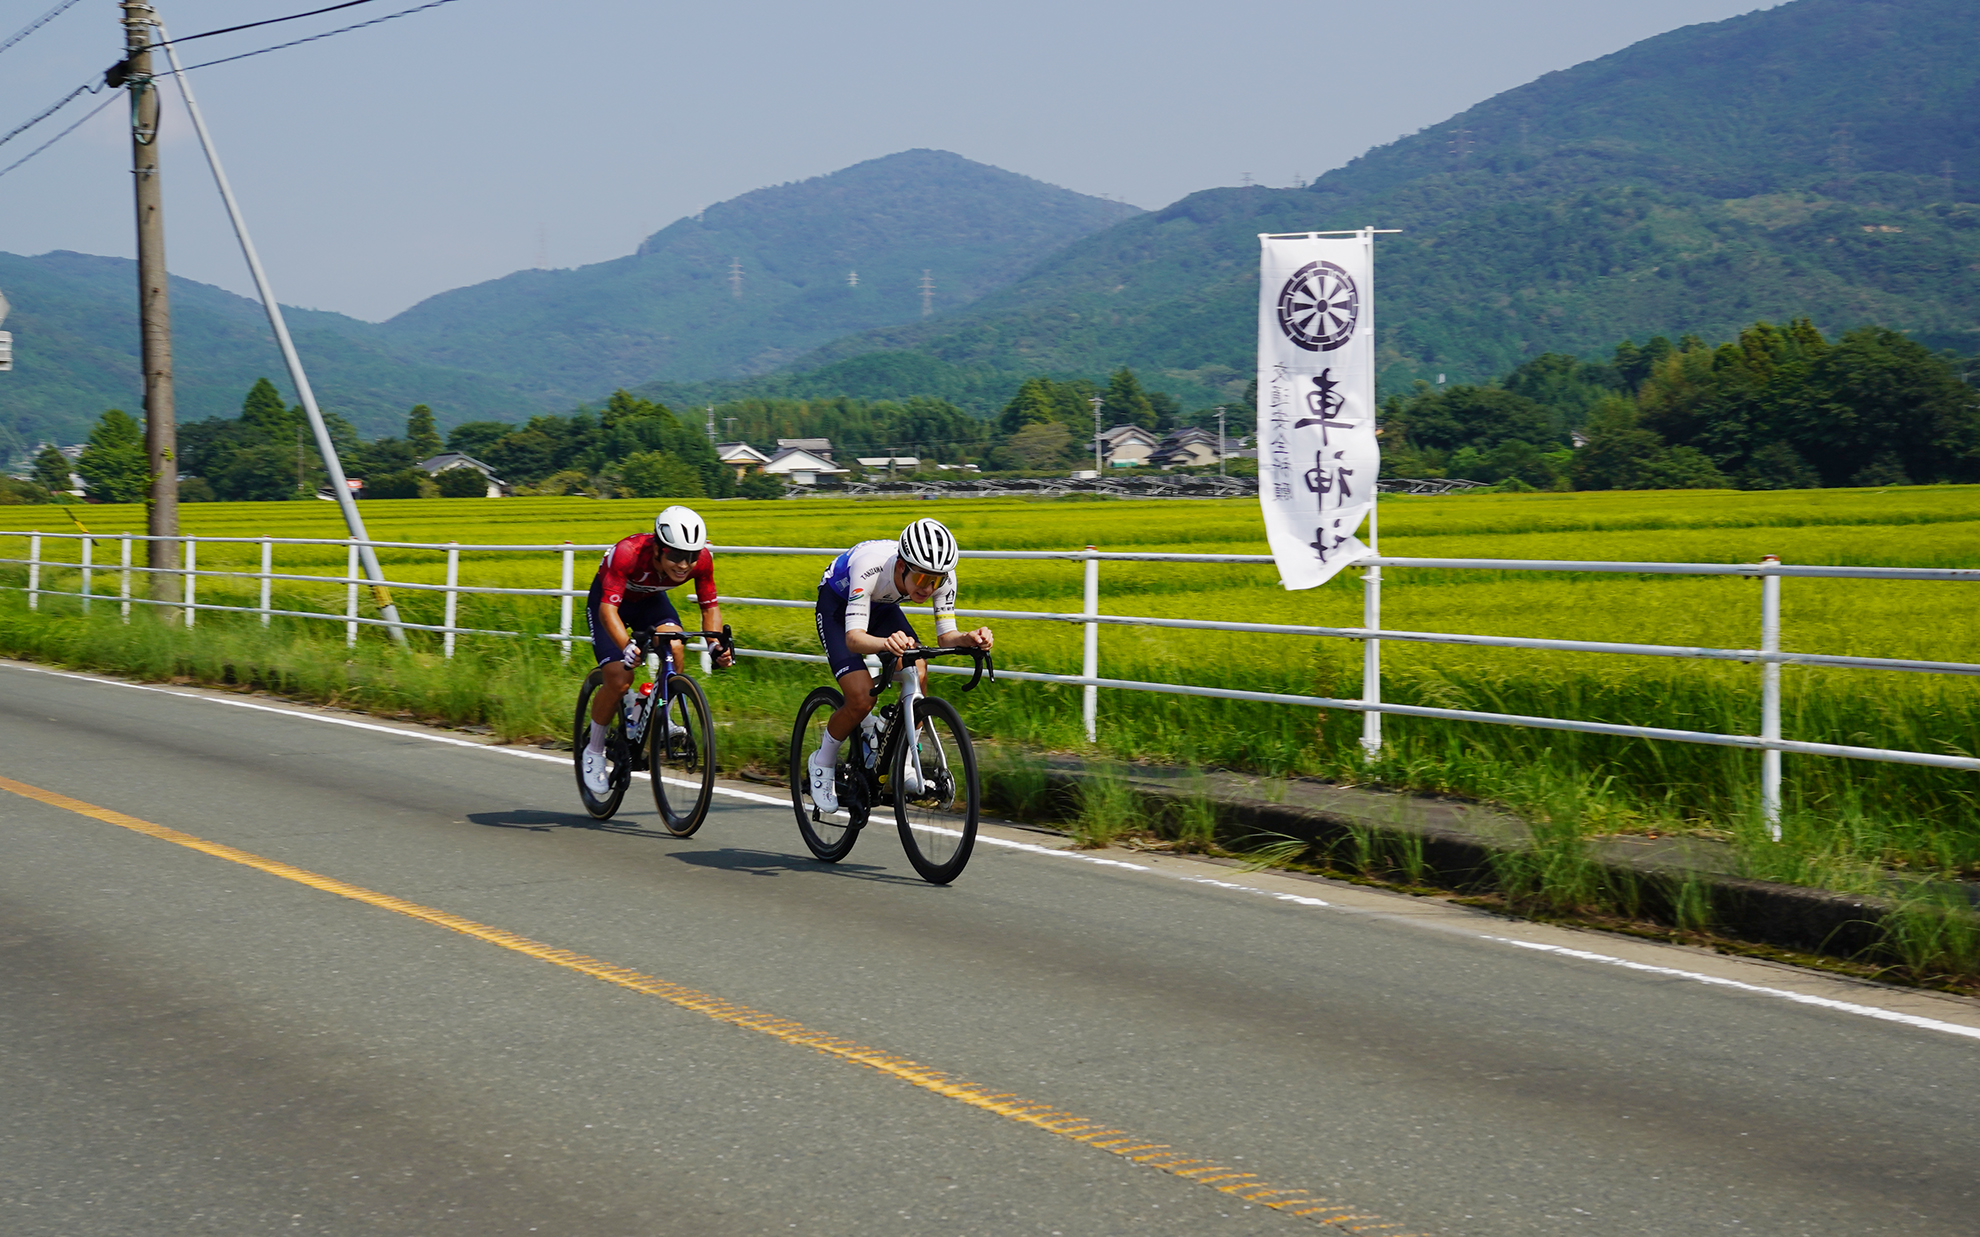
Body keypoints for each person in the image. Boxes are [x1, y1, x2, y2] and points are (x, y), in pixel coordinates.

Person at [805, 517, 993, 811]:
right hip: (839, 606)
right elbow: (854, 639)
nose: (928, 588)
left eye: (936, 581)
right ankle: (822, 762)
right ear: (902, 566)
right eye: (921, 579)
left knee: (917, 670)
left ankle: (904, 765)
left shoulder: (942, 575)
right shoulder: (870, 566)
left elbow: (946, 637)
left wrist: (969, 638)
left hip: (882, 607)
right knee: (860, 698)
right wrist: (885, 644)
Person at [581, 504, 733, 795]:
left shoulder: (702, 561)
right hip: (610, 603)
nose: (684, 564)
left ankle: (660, 712)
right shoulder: (629, 553)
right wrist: (626, 647)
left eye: (691, 556)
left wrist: (715, 646)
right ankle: (595, 749)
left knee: (675, 645)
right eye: (676, 555)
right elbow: (608, 612)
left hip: (650, 601)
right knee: (619, 678)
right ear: (658, 549)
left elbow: (709, 607)